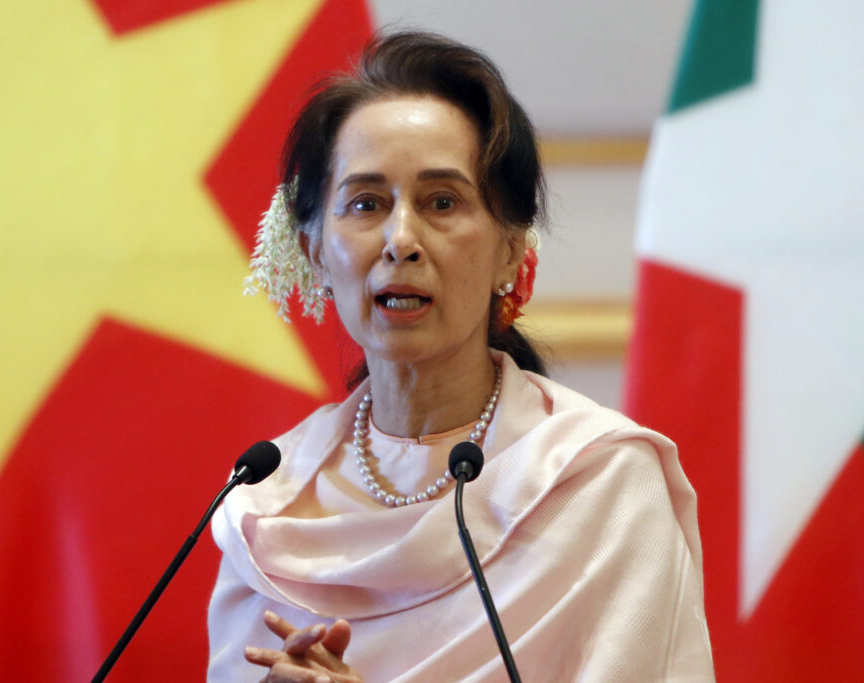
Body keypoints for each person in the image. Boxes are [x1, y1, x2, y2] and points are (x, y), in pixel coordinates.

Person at [210, 32, 714, 682]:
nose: (401, 240)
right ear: (315, 253)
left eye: (441, 202)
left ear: (510, 250)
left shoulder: (603, 486)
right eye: (365, 204)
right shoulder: (267, 505)